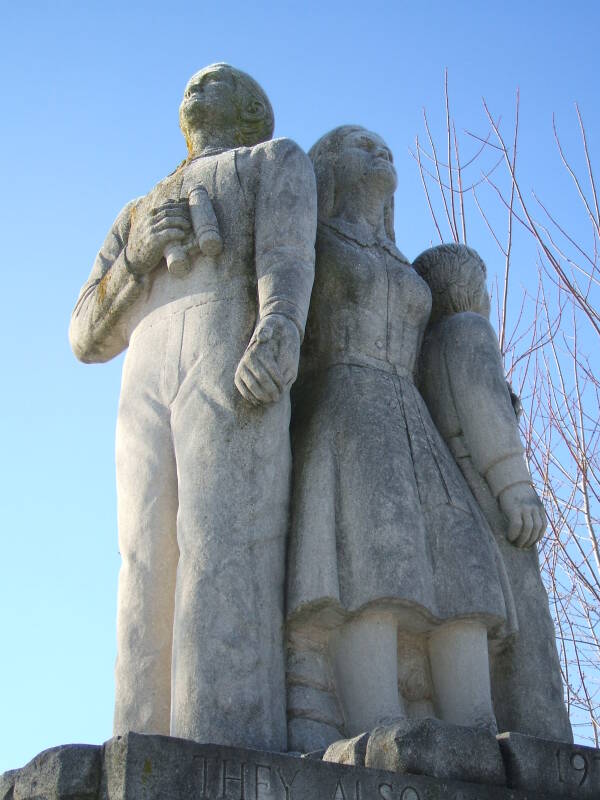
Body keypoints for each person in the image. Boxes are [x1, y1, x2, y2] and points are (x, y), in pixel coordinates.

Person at [69, 63, 316, 751]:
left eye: (218, 82)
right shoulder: (136, 211)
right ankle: (137, 739)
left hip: (224, 342)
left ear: (250, 112)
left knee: (225, 541)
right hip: (143, 374)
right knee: (142, 559)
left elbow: (289, 254)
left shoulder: (272, 160)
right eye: (191, 82)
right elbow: (85, 335)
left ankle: (226, 741)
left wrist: (279, 329)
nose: (195, 87)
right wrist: (137, 259)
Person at [285, 126, 517, 753]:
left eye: (383, 143)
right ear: (328, 167)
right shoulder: (312, 243)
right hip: (347, 412)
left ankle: (474, 729)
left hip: (411, 420)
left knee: (460, 568)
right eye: (360, 143)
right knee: (370, 572)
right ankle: (375, 727)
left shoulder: (402, 261)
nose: (378, 150)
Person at [414, 243, 573, 743]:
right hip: (489, 498)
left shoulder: (420, 350)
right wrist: (518, 490)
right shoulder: (469, 331)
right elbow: (490, 422)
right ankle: (538, 732)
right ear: (468, 289)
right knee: (524, 622)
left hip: (449, 500)